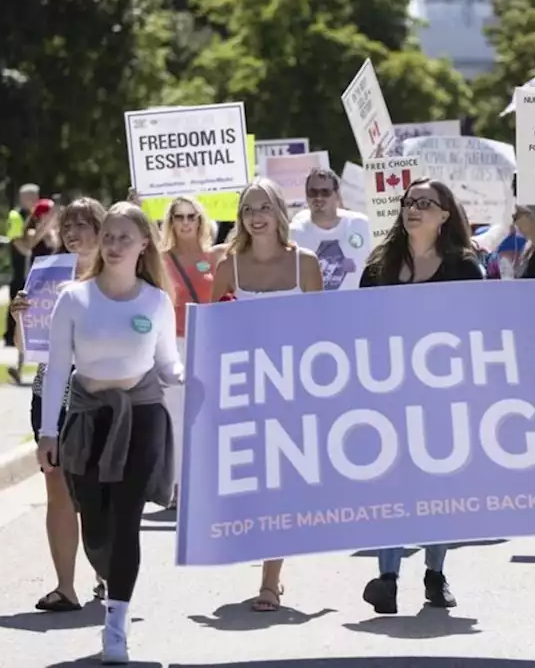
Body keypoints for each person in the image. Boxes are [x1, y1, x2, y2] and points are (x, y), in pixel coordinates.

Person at [36, 202, 181, 663]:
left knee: (126, 517)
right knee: (95, 523)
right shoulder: (75, 298)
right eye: (110, 236)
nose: (115, 245)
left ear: (144, 245)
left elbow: (166, 364)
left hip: (142, 415)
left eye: (126, 237)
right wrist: (48, 431)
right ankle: (106, 572)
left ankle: (116, 624)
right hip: (88, 415)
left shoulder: (156, 301)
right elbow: (59, 367)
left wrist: (190, 372)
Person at [359, 177, 484, 614]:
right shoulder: (378, 267)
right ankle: (387, 578)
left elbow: (479, 331)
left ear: (445, 214)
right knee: (390, 487)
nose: (413, 209)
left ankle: (435, 573)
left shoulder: (465, 268)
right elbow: (357, 328)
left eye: (424, 203)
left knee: (437, 487)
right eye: (408, 202)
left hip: (443, 398)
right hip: (388, 394)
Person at [210, 178, 323, 612]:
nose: (255, 217)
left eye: (263, 208)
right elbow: (210, 332)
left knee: (279, 484)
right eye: (247, 210)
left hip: (293, 389)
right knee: (253, 488)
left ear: (279, 212)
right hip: (243, 391)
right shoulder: (227, 266)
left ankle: (270, 581)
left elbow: (322, 333)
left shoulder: (306, 265)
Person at [10, 197, 107, 612]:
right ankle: (65, 587)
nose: (73, 232)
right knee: (59, 491)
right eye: (68, 225)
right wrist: (21, 318)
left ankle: (107, 573)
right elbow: (28, 349)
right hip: (49, 397)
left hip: (100, 399)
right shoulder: (45, 279)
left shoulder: (115, 281)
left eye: (84, 224)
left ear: (102, 231)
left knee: (99, 493)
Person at [159, 196, 225, 507]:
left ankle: (206, 481)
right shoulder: (160, 259)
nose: (185, 222)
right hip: (174, 344)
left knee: (208, 417)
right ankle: (176, 486)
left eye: (191, 216)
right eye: (179, 217)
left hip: (209, 343)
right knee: (175, 417)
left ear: (200, 221)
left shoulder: (214, 256)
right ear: (170, 222)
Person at [288, 167, 371, 290]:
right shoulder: (295, 232)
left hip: (356, 306)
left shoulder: (361, 225)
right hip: (313, 307)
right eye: (313, 192)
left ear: (337, 195)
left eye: (325, 192)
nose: (318, 198)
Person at [9, 198, 60, 383]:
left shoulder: (55, 233)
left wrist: (52, 228)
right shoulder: (32, 230)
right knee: (28, 324)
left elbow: (56, 245)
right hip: (36, 283)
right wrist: (45, 226)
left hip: (52, 283)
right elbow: (30, 244)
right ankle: (19, 367)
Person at [5, 183, 41, 347]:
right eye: (32, 197)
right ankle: (9, 336)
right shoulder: (16, 215)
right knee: (16, 301)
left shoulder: (35, 215)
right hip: (21, 265)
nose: (36, 200)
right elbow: (16, 240)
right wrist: (29, 249)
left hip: (32, 265)